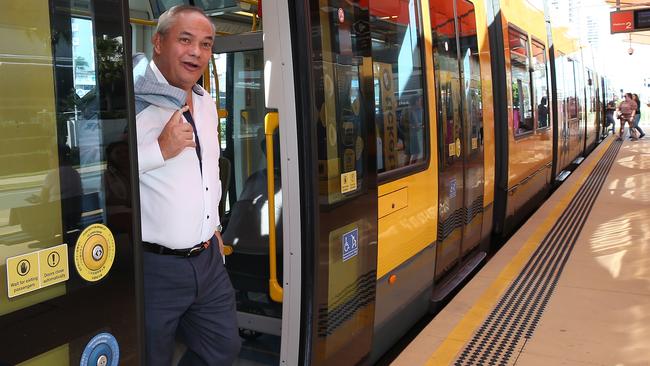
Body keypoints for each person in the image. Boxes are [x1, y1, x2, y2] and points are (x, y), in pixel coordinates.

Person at [134, 5, 240, 365]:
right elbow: (107, 176)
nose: (197, 52)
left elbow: (207, 173)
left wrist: (213, 226)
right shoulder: (131, 103)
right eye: (185, 40)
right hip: (155, 268)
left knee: (222, 349)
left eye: (206, 44)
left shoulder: (205, 102)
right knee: (152, 358)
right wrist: (159, 149)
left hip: (207, 259)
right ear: (158, 43)